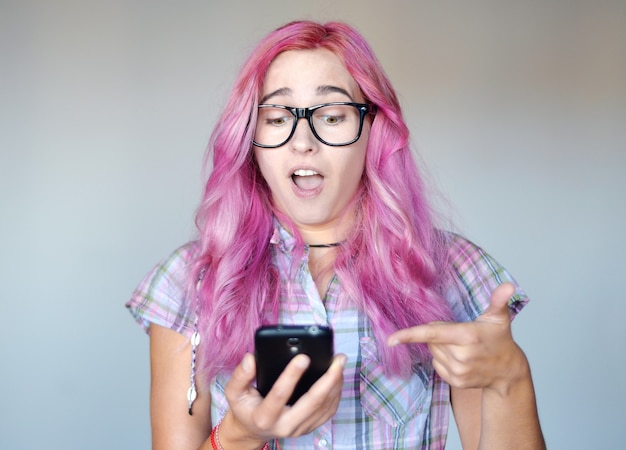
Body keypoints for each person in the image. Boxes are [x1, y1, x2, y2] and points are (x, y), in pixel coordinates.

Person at [126, 20, 546, 450]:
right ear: (249, 137)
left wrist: (510, 378)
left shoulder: (452, 269)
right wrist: (241, 434)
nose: (303, 141)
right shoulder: (188, 280)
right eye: (276, 116)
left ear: (373, 129)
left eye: (331, 116)